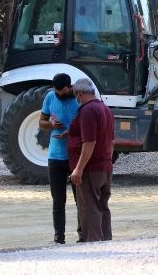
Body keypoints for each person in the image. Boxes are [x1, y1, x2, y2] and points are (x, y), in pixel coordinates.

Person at [67, 78, 114, 242]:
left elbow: (89, 142)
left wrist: (78, 169)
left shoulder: (87, 111)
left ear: (79, 94)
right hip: (105, 166)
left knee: (89, 207)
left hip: (90, 168)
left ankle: (93, 244)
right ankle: (106, 240)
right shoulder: (105, 108)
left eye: (76, 96)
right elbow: (110, 141)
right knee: (102, 206)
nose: (76, 99)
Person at [39, 73, 80, 244]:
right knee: (58, 200)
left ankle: (83, 235)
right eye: (56, 91)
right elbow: (41, 122)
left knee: (81, 199)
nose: (59, 94)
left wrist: (70, 132)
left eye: (62, 91)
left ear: (69, 87)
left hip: (75, 155)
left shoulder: (79, 98)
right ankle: (59, 238)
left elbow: (85, 124)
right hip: (55, 156)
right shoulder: (50, 96)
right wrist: (51, 125)